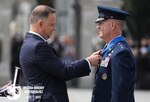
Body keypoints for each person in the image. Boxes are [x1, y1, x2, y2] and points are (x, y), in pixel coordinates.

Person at [19, 5, 101, 102]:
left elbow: (59, 67)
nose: (54, 29)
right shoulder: (38, 46)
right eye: (52, 25)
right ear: (40, 24)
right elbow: (63, 71)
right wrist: (89, 61)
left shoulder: (29, 42)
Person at [91, 6, 136, 102]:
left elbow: (119, 94)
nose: (97, 26)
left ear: (112, 25)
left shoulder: (121, 53)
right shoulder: (110, 49)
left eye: (101, 23)